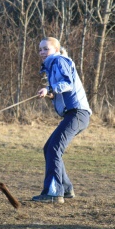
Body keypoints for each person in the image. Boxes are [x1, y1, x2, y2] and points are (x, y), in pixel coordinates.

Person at [32, 37, 92, 204]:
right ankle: (65, 189)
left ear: (56, 50)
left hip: (77, 113)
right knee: (49, 148)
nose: (42, 52)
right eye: (40, 49)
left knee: (54, 149)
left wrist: (49, 88)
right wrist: (50, 93)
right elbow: (61, 90)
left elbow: (67, 83)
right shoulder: (52, 66)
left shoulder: (59, 61)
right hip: (73, 115)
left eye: (46, 49)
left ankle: (54, 193)